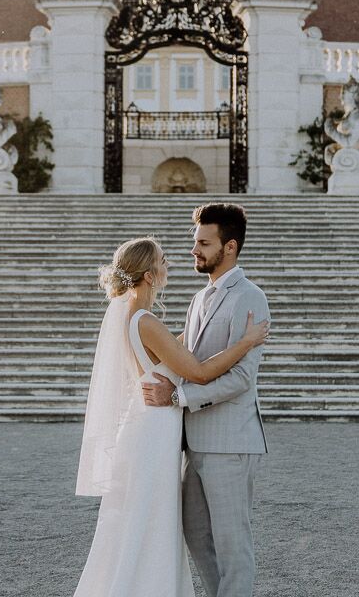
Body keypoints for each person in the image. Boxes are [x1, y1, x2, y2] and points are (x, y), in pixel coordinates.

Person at [73, 235, 269, 597]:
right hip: (155, 426)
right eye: (163, 260)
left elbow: (177, 348)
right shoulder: (145, 320)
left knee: (144, 517)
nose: (170, 264)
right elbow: (197, 372)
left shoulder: (135, 316)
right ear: (149, 275)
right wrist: (245, 342)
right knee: (153, 518)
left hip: (151, 425)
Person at [142, 203, 271, 597]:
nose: (193, 251)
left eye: (203, 243)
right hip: (192, 441)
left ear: (229, 247)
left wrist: (178, 396)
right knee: (197, 536)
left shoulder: (249, 297)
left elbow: (241, 378)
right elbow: (186, 356)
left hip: (230, 442)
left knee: (233, 546)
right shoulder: (200, 298)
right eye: (194, 242)